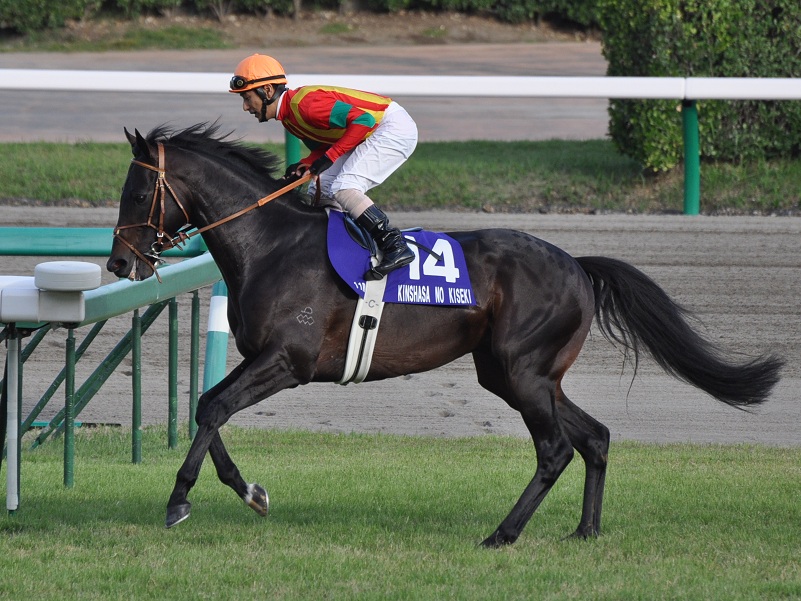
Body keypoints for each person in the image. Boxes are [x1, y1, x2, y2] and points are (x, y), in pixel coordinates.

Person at [229, 53, 417, 280]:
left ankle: (394, 245)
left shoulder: (305, 106)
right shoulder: (289, 118)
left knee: (345, 186)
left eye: (247, 97)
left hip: (391, 127)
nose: (245, 107)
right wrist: (307, 163)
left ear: (267, 90)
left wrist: (328, 158)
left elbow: (364, 121)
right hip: (371, 130)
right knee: (323, 187)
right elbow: (324, 147)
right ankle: (342, 247)